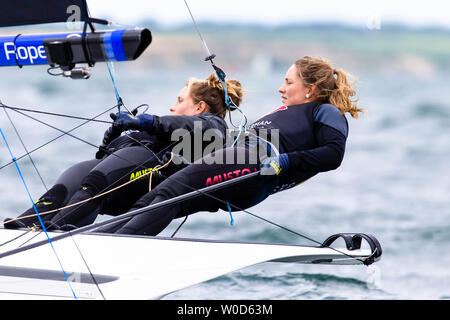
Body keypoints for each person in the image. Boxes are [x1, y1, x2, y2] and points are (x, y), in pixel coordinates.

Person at [98, 56, 363, 236]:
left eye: (289, 82)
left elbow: (332, 155)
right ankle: (97, 239)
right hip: (241, 167)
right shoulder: (286, 111)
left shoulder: (325, 111)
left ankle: (108, 244)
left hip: (256, 165)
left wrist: (285, 162)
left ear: (310, 89)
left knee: (169, 194)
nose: (281, 88)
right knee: (164, 196)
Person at [3, 73, 244, 230]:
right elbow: (110, 156)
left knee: (95, 182)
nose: (173, 106)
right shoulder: (166, 129)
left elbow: (181, 126)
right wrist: (112, 140)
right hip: (124, 170)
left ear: (199, 107)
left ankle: (54, 231)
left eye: (180, 100)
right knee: (64, 186)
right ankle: (24, 226)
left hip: (147, 180)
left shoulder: (213, 125)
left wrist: (145, 121)